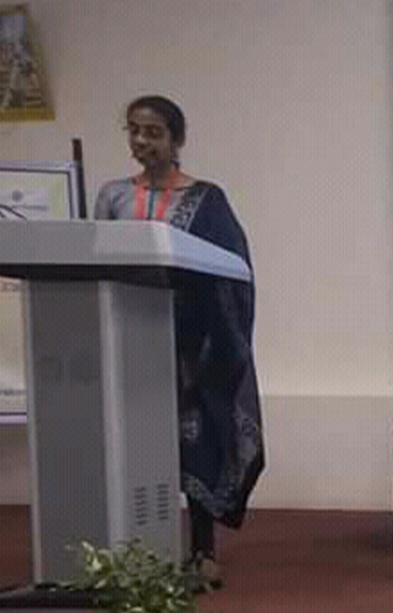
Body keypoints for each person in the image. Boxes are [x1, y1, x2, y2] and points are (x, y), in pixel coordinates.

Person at [94, 95, 264, 589]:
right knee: (129, 444)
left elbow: (233, 269)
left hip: (191, 344)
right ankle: (129, 548)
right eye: (134, 130)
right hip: (125, 335)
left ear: (177, 139)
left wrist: (217, 340)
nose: (141, 141)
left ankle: (202, 550)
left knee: (194, 441)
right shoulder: (112, 196)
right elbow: (96, 255)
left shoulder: (208, 199)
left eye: (153, 132)